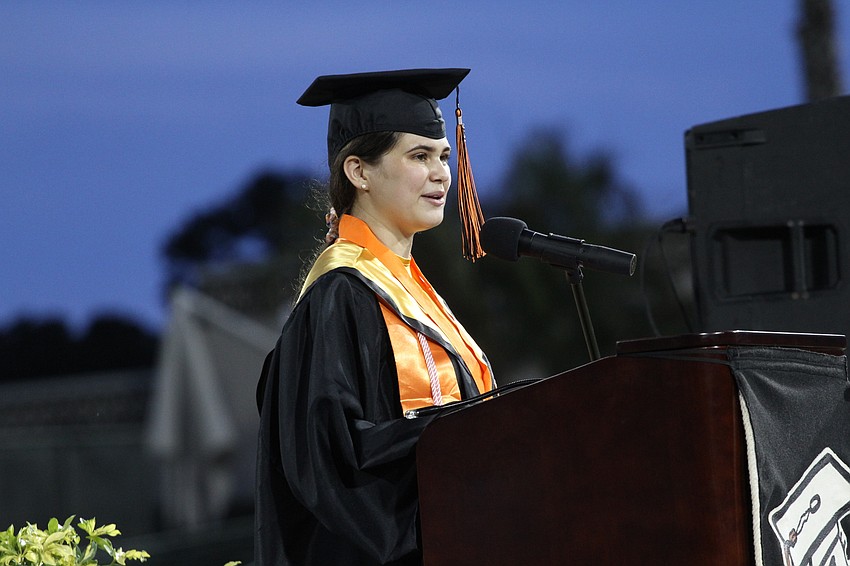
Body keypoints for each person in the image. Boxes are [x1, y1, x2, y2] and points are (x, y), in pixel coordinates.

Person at [254, 68, 495, 565]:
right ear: (359, 172)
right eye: (420, 156)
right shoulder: (337, 297)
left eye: (444, 156)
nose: (442, 174)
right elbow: (333, 462)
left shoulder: (413, 294)